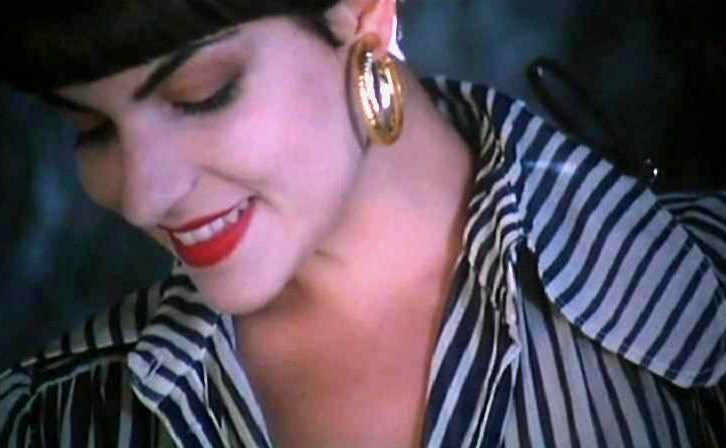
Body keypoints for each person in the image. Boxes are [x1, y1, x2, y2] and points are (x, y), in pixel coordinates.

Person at [1, 0, 724, 446]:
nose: (142, 194)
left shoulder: (705, 297)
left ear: (366, 13)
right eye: (92, 129)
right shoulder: (45, 421)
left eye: (202, 93)